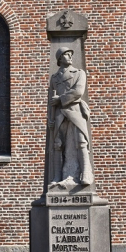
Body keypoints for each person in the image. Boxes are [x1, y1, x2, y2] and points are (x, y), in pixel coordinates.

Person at [48, 47, 93, 189]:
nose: (70, 57)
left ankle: (86, 173)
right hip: (59, 114)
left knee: (81, 142)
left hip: (74, 111)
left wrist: (60, 99)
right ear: (60, 58)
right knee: (57, 145)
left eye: (70, 54)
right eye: (66, 55)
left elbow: (78, 91)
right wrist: (50, 118)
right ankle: (57, 176)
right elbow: (50, 100)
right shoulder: (54, 78)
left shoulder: (79, 73)